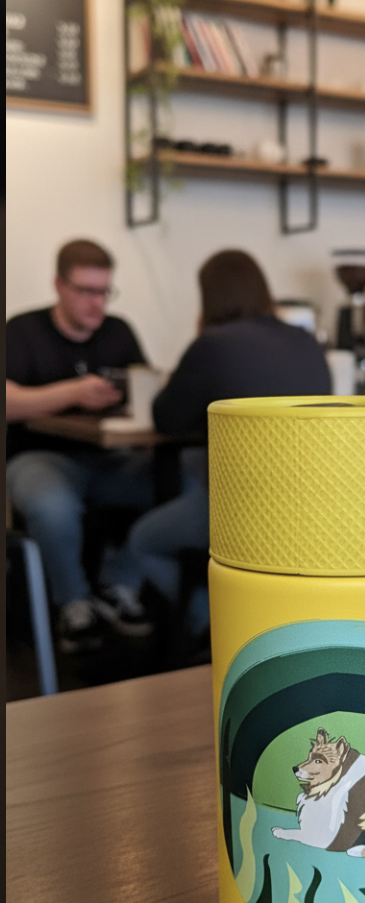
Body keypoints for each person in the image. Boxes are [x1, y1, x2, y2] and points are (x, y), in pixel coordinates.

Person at [127, 249, 331, 637]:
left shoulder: (212, 344)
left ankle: (214, 628)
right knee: (196, 465)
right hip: (313, 508)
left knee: (142, 543)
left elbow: (165, 418)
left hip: (244, 509)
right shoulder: (307, 341)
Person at [6, 239, 154, 653]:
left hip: (111, 460)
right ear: (59, 285)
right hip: (39, 456)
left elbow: (148, 392)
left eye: (104, 292)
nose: (97, 303)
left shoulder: (118, 331)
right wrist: (73, 392)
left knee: (180, 483)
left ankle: (119, 583)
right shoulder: (23, 330)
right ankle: (73, 606)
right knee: (51, 504)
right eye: (86, 291)